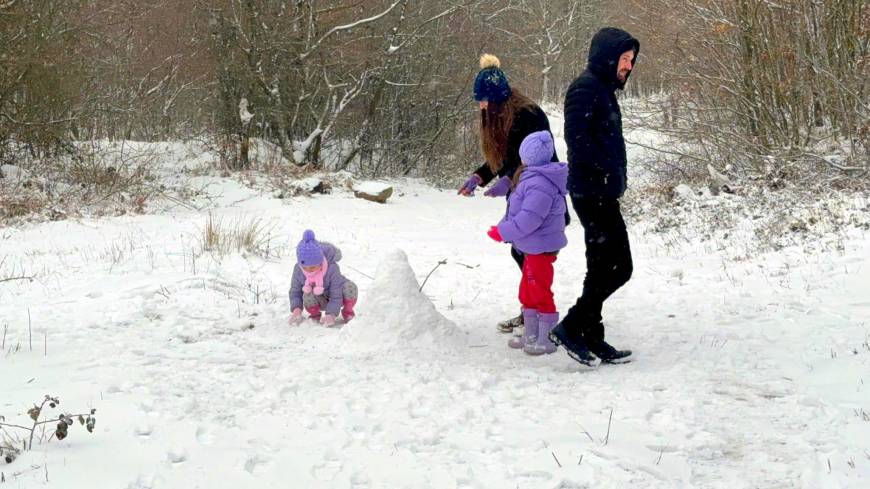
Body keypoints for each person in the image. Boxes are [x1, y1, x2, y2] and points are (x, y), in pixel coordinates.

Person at [549, 27, 640, 365]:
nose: (629, 66)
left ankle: (591, 334)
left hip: (601, 191)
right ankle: (572, 326)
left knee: (600, 267)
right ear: (607, 55)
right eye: (625, 58)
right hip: (593, 193)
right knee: (619, 268)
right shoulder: (585, 88)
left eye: (632, 60)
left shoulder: (601, 89)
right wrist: (605, 172)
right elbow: (576, 138)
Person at [459, 53, 559, 334]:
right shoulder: (502, 115)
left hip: (539, 194)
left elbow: (531, 157)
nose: (481, 106)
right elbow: (505, 159)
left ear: (497, 99)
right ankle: (532, 312)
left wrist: (505, 179)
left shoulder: (526, 116)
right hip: (522, 192)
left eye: (483, 100)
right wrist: (479, 176)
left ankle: (542, 316)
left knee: (534, 258)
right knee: (523, 254)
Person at [487, 131, 568, 355]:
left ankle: (547, 337)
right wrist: (504, 227)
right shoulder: (529, 178)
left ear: (525, 157)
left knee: (540, 291)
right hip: (531, 247)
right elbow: (517, 209)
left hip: (540, 249)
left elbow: (530, 218)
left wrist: (503, 232)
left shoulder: (539, 184)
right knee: (527, 291)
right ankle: (531, 333)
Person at [288, 230, 358, 327]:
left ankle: (348, 312)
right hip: (319, 299)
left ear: (320, 261)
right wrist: (296, 309)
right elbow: (295, 291)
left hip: (339, 297)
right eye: (305, 267)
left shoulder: (332, 268)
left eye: (313, 267)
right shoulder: (298, 270)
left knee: (350, 287)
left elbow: (336, 294)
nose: (309, 270)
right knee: (307, 293)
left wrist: (331, 314)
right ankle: (315, 315)